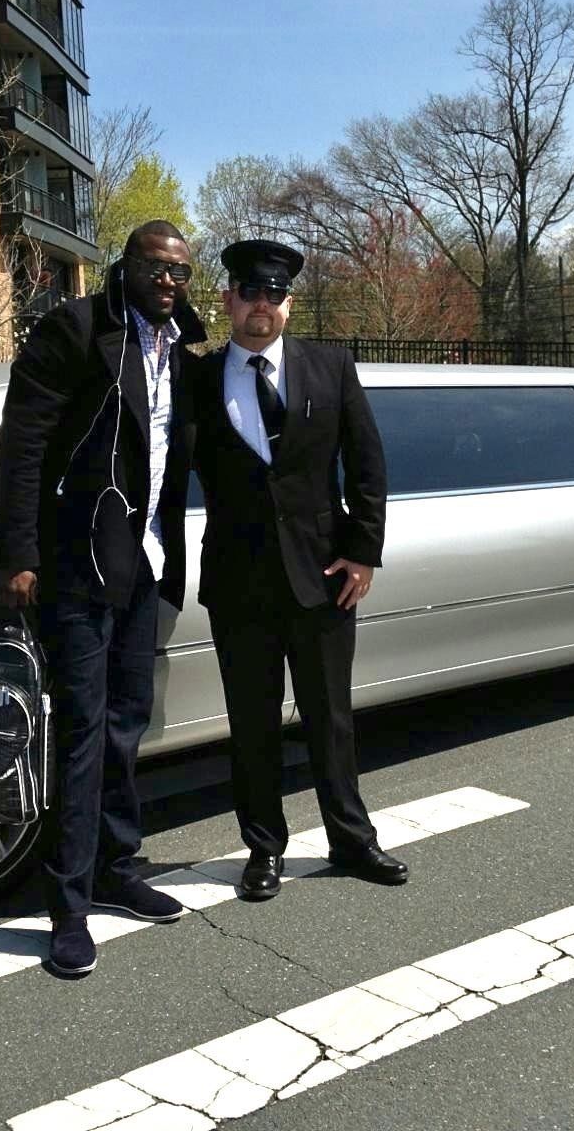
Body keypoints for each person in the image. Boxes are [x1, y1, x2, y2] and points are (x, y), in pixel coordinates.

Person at [0, 220, 206, 976]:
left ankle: (118, 869)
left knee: (126, 724)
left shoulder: (181, 347)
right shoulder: (75, 330)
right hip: (78, 565)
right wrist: (17, 552)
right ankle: (68, 908)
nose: (170, 281)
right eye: (158, 267)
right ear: (127, 264)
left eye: (182, 270)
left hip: (143, 562)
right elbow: (21, 443)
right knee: (81, 735)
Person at [190, 238, 408, 901]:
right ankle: (263, 849)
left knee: (329, 717)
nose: (263, 306)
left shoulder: (330, 366)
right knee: (252, 724)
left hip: (323, 577)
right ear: (228, 299)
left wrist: (365, 551)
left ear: (290, 302)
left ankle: (351, 838)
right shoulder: (195, 377)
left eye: (275, 295)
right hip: (238, 582)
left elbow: (367, 465)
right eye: (250, 293)